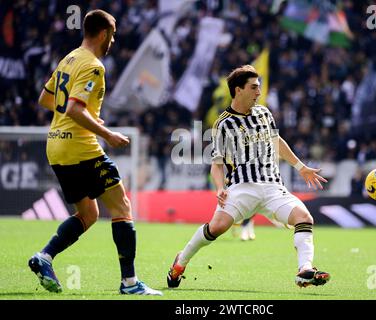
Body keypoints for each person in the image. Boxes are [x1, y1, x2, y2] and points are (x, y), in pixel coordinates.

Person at [28, 9, 162, 296]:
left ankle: (44, 257)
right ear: (103, 34)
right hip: (81, 147)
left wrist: (82, 115)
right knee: (122, 207)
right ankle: (130, 283)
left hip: (56, 146)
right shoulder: (93, 66)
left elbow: (45, 99)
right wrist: (108, 134)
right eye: (112, 36)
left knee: (88, 214)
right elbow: (75, 108)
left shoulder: (69, 58)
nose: (112, 42)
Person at [167, 65, 330, 289]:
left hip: (273, 187)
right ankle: (181, 261)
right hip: (241, 187)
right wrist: (219, 188)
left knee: (304, 218)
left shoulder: (264, 113)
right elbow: (216, 165)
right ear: (238, 90)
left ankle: (305, 270)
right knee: (217, 228)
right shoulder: (224, 124)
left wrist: (300, 166)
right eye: (253, 87)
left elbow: (277, 142)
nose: (258, 92)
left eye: (259, 87)